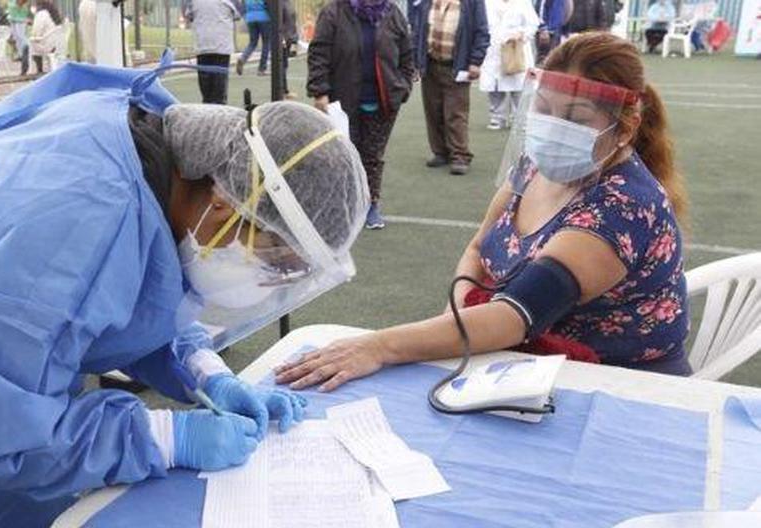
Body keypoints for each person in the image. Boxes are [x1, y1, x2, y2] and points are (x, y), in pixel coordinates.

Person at [0, 59, 369, 527]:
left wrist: (201, 368)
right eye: (275, 263)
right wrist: (167, 434)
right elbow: (11, 436)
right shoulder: (75, 227)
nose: (269, 281)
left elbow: (132, 292)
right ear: (224, 206)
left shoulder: (169, 163)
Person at [276, 32, 692, 393]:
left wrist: (377, 346)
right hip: (524, 365)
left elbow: (516, 316)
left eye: (576, 118)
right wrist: (461, 306)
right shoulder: (537, 164)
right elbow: (479, 247)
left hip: (616, 385)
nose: (553, 127)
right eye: (544, 109)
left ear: (625, 126)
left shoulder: (621, 208)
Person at [308, 0, 414, 229]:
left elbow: (407, 55)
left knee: (372, 156)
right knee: (342, 155)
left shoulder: (392, 13)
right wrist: (320, 91)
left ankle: (370, 204)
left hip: (384, 101)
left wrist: (403, 87)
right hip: (342, 101)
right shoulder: (333, 12)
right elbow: (319, 53)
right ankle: (341, 206)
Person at [409, 0, 490, 176]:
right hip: (430, 63)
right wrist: (416, 60)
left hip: (457, 65)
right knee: (433, 111)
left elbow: (482, 31)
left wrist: (475, 61)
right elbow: (417, 29)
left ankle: (460, 155)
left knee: (455, 113)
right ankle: (440, 152)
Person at [480, 0, 539, 130]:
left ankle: (519, 118)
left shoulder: (523, 3)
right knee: (494, 86)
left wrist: (522, 34)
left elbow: (533, 23)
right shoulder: (487, 3)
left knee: (518, 85)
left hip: (516, 48)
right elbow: (481, 23)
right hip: (494, 47)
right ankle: (497, 117)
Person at [187, 0, 239, 104]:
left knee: (205, 84)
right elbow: (237, 15)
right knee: (220, 82)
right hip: (221, 46)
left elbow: (189, 15)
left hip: (203, 44)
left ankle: (207, 106)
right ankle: (219, 107)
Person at [235, 0, 270, 76]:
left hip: (250, 18)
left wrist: (245, 16)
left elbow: (242, 6)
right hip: (263, 17)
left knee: (252, 42)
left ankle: (242, 58)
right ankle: (261, 69)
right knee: (266, 43)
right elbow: (269, 4)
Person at [29, 0, 62, 73]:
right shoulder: (53, 11)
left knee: (31, 46)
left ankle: (39, 70)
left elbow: (37, 30)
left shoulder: (41, 14)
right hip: (57, 42)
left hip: (47, 44)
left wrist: (33, 37)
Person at [8, 0, 31, 74]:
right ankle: (22, 54)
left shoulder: (20, 5)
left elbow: (22, 4)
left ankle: (25, 50)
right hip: (13, 18)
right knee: (17, 37)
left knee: (20, 36)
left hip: (19, 19)